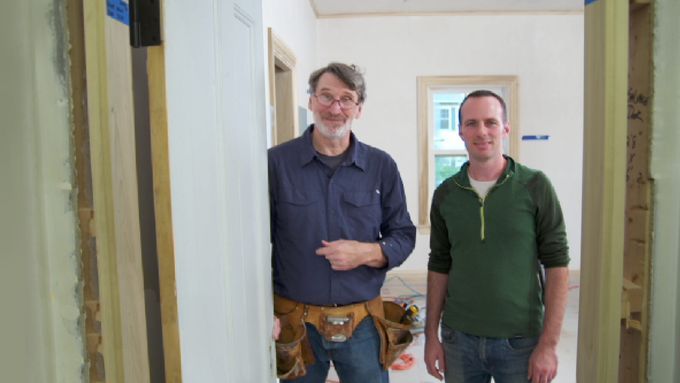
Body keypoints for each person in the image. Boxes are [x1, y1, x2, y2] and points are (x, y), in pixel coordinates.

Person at [269, 62, 416, 383]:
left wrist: (367, 252)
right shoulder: (276, 163)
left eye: (346, 99)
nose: (335, 108)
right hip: (296, 323)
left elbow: (404, 235)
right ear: (311, 102)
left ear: (358, 108)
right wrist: (262, 310)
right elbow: (253, 245)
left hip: (363, 323)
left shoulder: (381, 166)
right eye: (326, 96)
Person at [424, 90, 570, 383]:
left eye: (491, 122)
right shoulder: (446, 195)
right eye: (471, 123)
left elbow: (557, 266)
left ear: (506, 128)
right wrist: (431, 337)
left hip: (520, 342)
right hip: (458, 340)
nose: (482, 132)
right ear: (460, 132)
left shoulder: (535, 186)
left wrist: (549, 345)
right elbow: (439, 266)